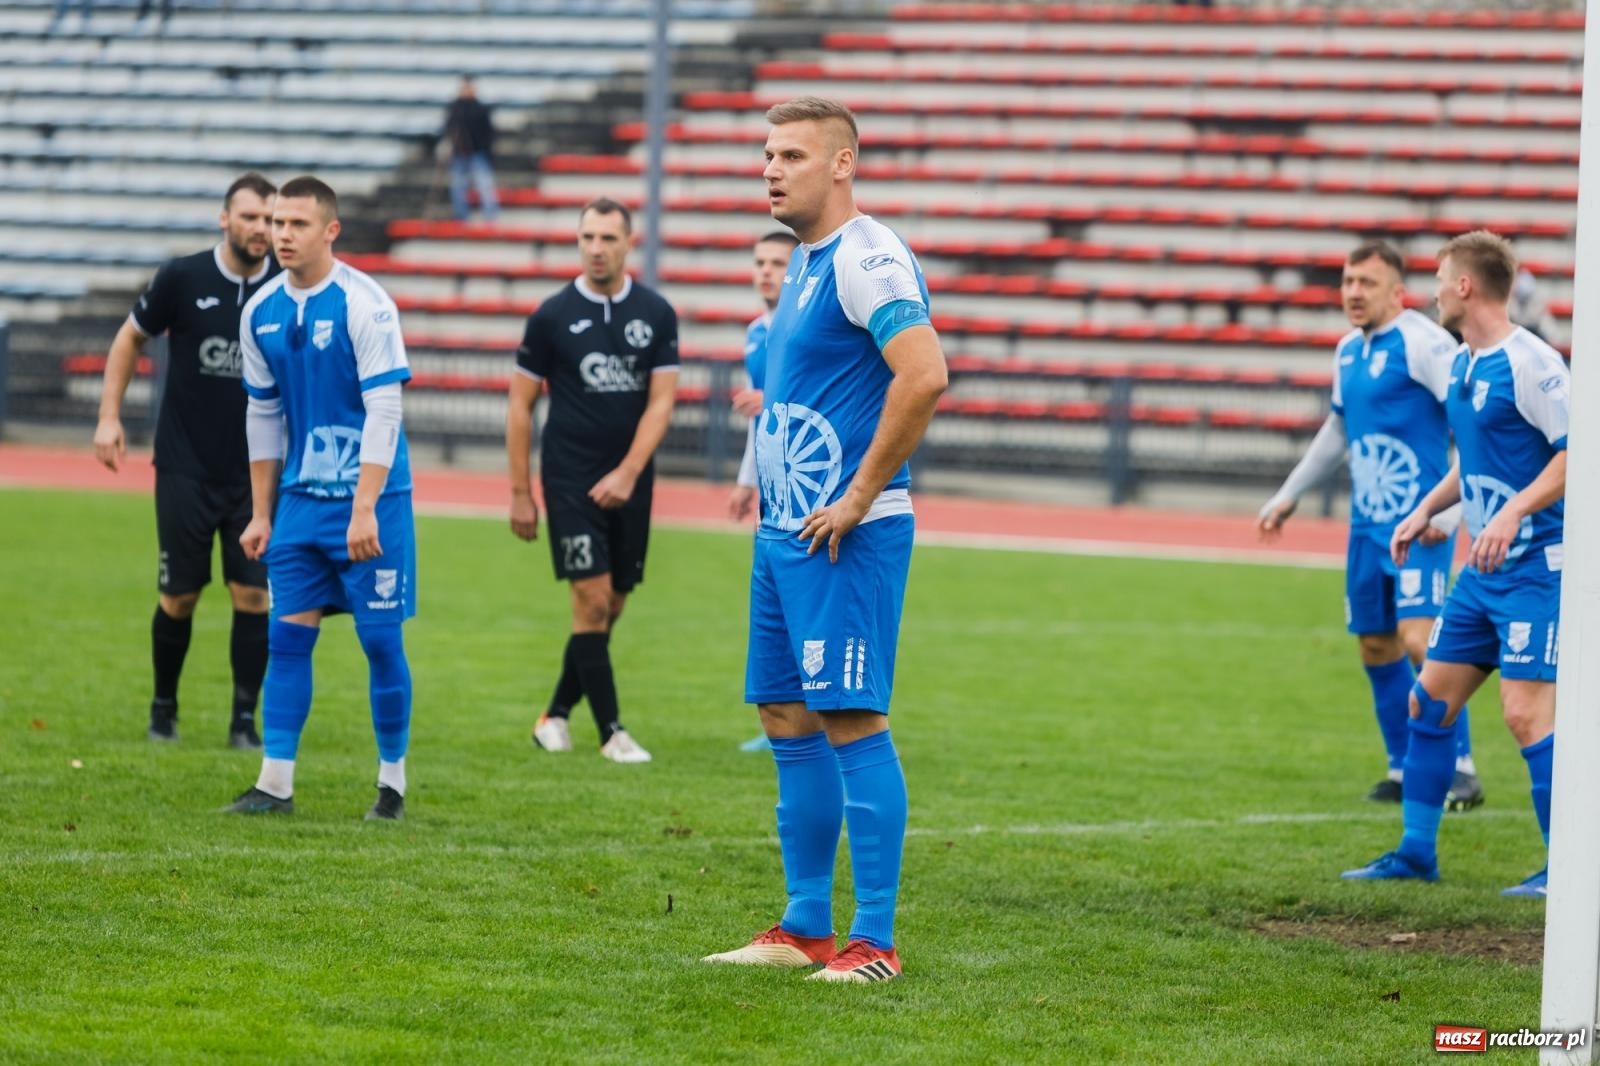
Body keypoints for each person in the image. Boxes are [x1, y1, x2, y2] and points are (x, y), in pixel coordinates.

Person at [701, 97, 948, 982]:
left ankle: (873, 942)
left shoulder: (868, 257)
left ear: (843, 163)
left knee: (850, 717)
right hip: (783, 535)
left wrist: (859, 493)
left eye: (793, 155)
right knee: (785, 716)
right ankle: (805, 925)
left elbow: (924, 375)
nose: (771, 169)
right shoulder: (803, 264)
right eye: (768, 154)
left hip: (848, 534)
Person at [1342, 230, 1567, 896]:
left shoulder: (1534, 363)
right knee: (1429, 704)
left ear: (1465, 286)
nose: (1434, 289)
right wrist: (1426, 509)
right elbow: (1472, 461)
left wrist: (1511, 512)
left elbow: (1576, 454)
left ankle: (1566, 870)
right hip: (1482, 576)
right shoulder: (1466, 364)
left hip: (1536, 572)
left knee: (1524, 714)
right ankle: (1416, 854)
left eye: (1441, 278)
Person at [1259, 240, 1482, 810]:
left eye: (1366, 282)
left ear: (1396, 290)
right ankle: (1404, 767)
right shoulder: (1346, 352)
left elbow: (1469, 423)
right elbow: (1337, 431)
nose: (1353, 292)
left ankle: (1459, 766)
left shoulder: (1426, 342)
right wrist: (1289, 495)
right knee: (1377, 646)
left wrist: (1450, 512)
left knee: (1418, 638)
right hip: (1367, 526)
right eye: (1347, 281)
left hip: (1421, 526)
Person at [224, 176, 417, 821]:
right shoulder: (261, 312)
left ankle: (392, 784)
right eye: (277, 223)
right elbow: (263, 414)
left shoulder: (367, 303)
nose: (282, 234)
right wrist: (260, 511)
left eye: (297, 224)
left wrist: (365, 505)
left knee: (380, 641)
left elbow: (385, 410)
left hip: (373, 499)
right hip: (302, 501)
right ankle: (274, 782)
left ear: (330, 230)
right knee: (286, 641)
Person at [93, 172, 279, 750]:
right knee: (181, 594)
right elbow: (129, 339)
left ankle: (244, 722)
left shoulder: (287, 288)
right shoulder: (183, 276)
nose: (262, 229)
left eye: (271, 219)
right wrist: (108, 416)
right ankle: (163, 707)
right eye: (250, 216)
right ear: (225, 219)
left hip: (256, 475)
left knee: (253, 594)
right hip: (185, 468)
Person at [506, 197, 679, 764]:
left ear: (631, 243)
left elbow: (662, 403)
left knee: (612, 607)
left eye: (607, 237)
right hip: (569, 480)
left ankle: (553, 715)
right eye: (587, 237)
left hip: (633, 482)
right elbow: (520, 406)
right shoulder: (552, 315)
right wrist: (519, 492)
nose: (596, 248)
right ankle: (612, 733)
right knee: (592, 600)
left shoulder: (656, 313)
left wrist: (629, 473)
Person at [729, 230, 800, 754]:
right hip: (772, 488)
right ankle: (779, 714)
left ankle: (810, 714)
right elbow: (764, 422)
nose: (766, 271)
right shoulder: (756, 332)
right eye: (760, 261)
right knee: (773, 603)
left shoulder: (804, 330)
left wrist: (767, 397)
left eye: (778, 262)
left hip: (807, 488)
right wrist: (744, 482)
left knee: (800, 600)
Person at [443, 76, 499, 224]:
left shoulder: (480, 109)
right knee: (458, 185)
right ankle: (461, 215)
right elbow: (448, 129)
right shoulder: (454, 109)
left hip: (478, 152)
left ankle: (490, 215)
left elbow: (488, 132)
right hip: (459, 153)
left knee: (484, 184)